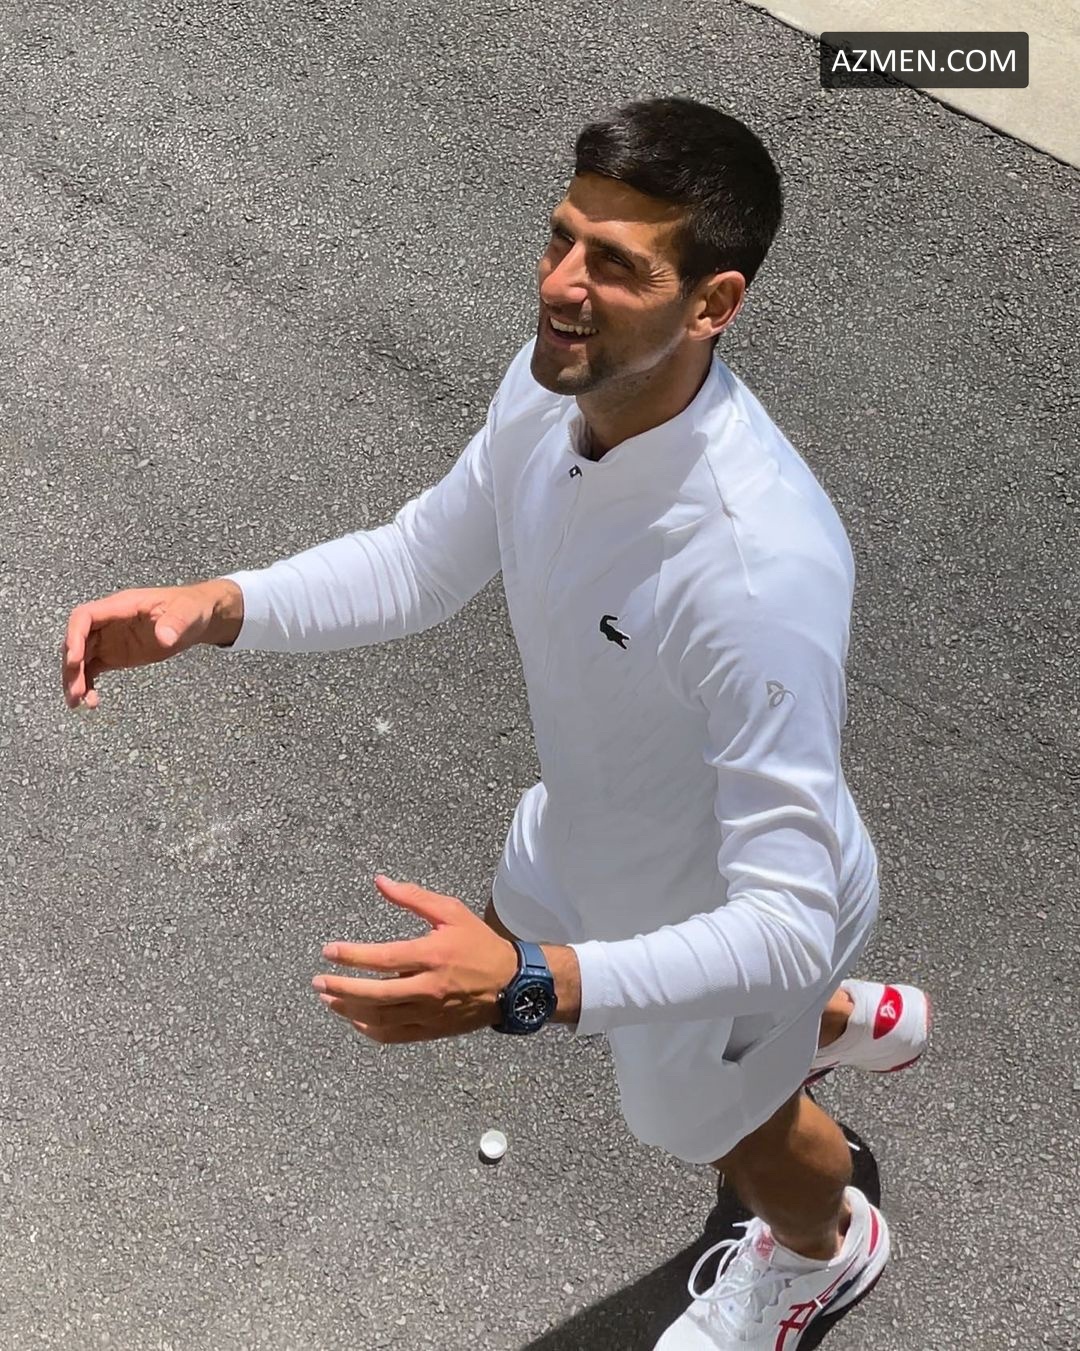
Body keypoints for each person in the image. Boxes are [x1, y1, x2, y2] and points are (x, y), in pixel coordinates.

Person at [62, 97, 930, 1349]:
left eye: (616, 264)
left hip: (731, 924)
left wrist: (532, 988)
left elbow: (784, 918)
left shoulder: (758, 570)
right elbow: (424, 559)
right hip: (585, 838)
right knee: (520, 920)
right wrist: (217, 606)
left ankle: (824, 1246)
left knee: (706, 1123)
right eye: (561, 237)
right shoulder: (552, 387)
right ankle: (831, 1024)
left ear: (713, 304)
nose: (563, 285)